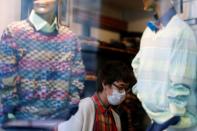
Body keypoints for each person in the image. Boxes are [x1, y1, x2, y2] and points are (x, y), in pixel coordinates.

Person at [0, 0, 85, 128]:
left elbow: (77, 77)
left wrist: (70, 106)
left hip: (57, 123)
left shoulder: (70, 38)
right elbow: (5, 77)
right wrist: (12, 110)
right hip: (20, 123)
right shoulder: (14, 32)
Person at [131, 0, 197, 131]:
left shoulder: (181, 32)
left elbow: (182, 81)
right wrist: (143, 96)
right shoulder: (149, 32)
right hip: (157, 120)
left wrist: (173, 116)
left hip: (177, 125)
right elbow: (138, 66)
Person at [58, 61, 133, 131]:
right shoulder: (82, 107)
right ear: (105, 83)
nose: (123, 92)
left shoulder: (116, 118)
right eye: (120, 87)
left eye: (126, 89)